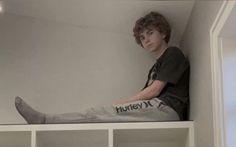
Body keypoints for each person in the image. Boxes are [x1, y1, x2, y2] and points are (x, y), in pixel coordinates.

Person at [15, 11, 190, 124]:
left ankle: (45, 120)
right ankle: (46, 120)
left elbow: (153, 91)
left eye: (150, 33)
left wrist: (121, 104)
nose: (146, 39)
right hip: (158, 108)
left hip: (165, 109)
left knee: (98, 113)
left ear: (164, 32)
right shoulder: (155, 67)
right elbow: (148, 95)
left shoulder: (173, 53)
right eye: (143, 37)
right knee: (104, 115)